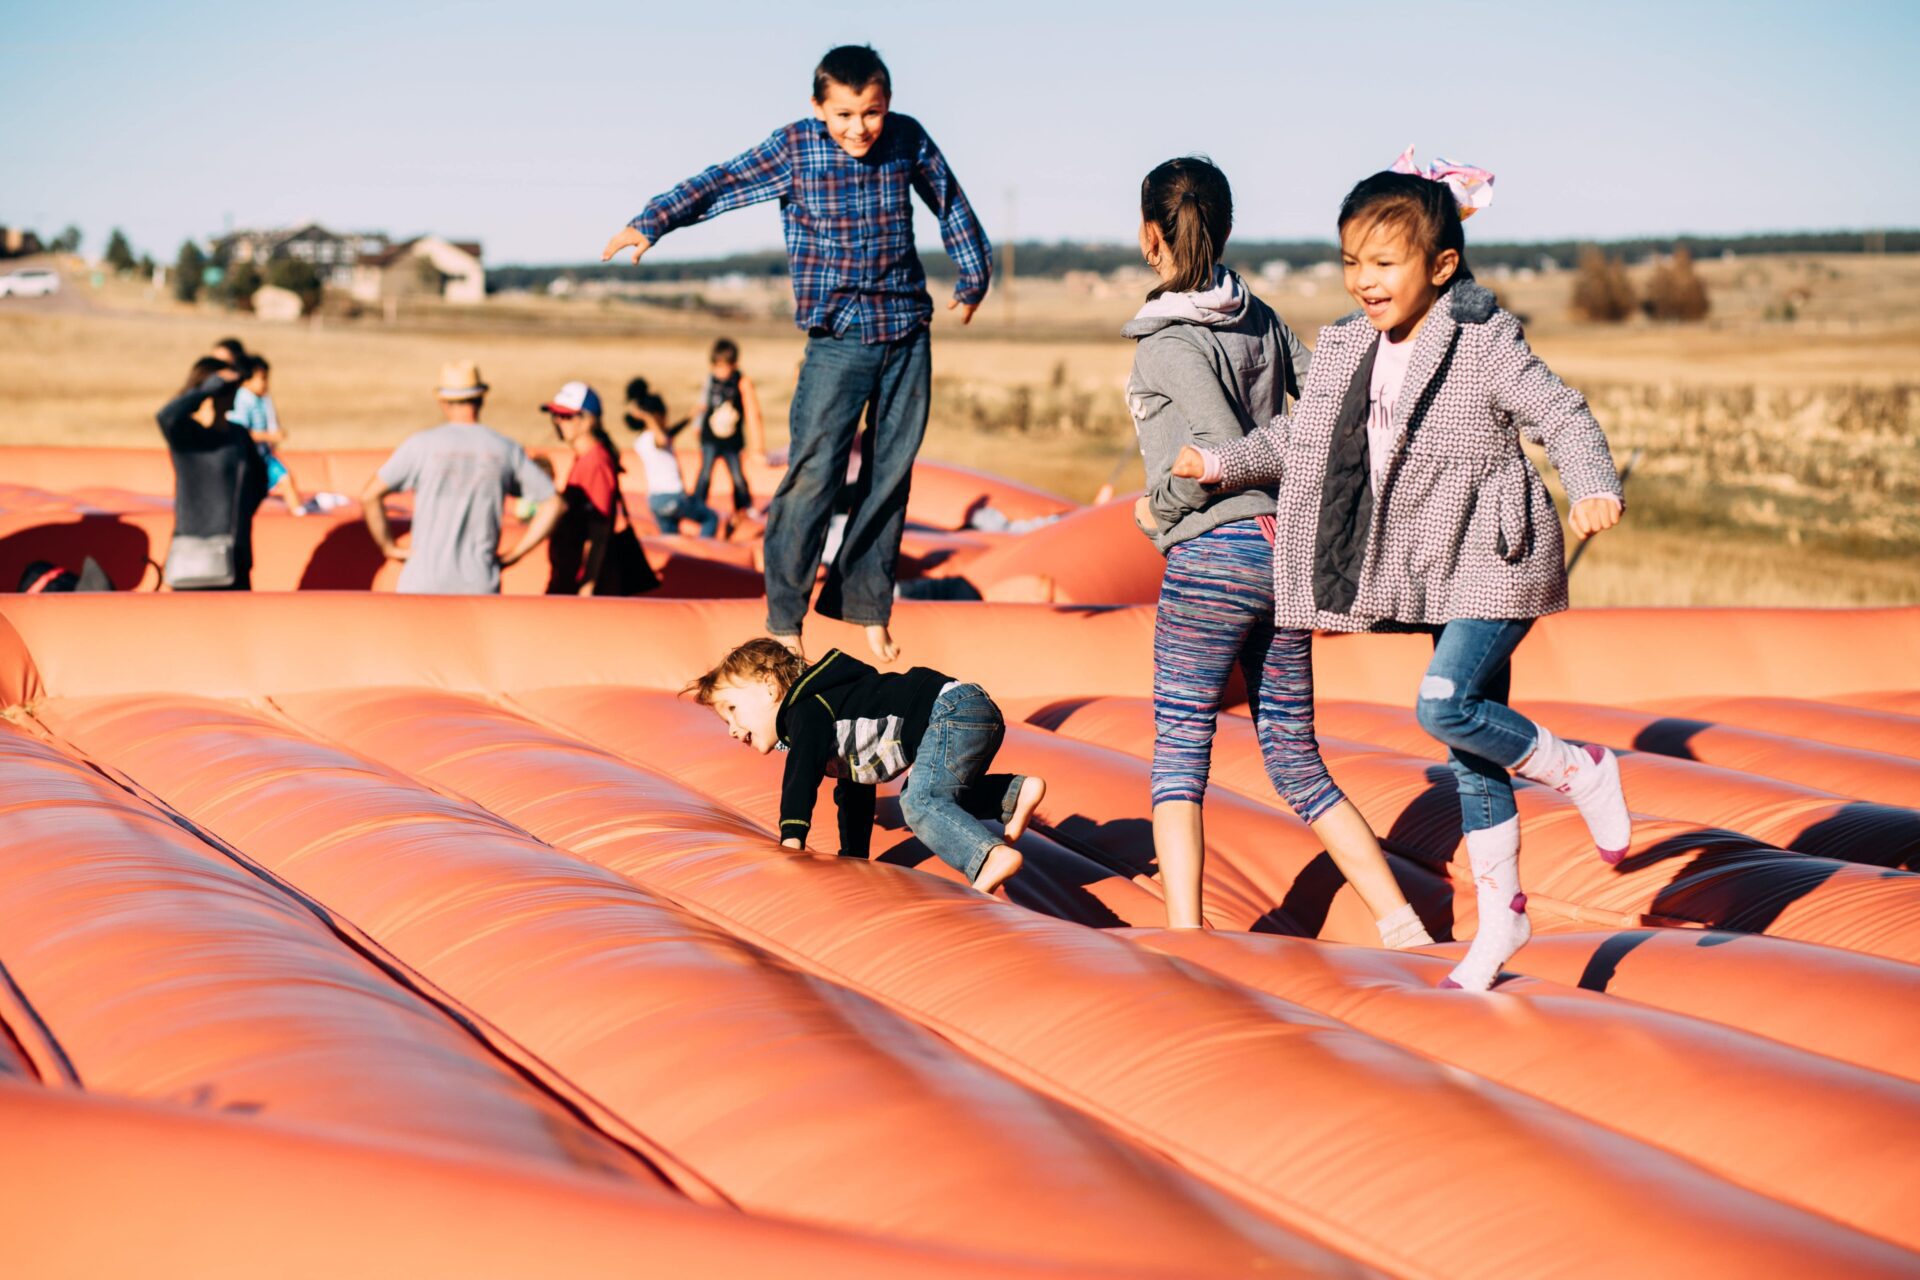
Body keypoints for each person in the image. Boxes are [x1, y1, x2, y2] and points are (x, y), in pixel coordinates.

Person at [1176, 153, 1629, 990]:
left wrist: (1594, 483)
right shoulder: (1349, 346)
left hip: (1496, 558)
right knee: (1471, 751)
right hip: (1434, 568)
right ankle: (1501, 926)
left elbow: (1561, 413)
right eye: (1351, 261)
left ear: (1441, 267)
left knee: (1444, 705)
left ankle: (1581, 769)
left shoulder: (1483, 341)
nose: (1363, 281)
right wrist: (1221, 463)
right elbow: (1299, 440)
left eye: (1383, 264)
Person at [602, 44, 991, 663]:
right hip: (837, 339)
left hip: (907, 329)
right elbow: (721, 182)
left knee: (889, 476)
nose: (858, 128)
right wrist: (653, 221)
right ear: (818, 107)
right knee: (814, 474)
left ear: (887, 104)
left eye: (870, 112)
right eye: (842, 114)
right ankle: (785, 616)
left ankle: (867, 608)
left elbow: (949, 200)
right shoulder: (795, 148)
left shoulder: (907, 138)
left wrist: (973, 276)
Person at [1126, 158, 1431, 947]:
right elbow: (1327, 402)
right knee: (1295, 758)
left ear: (1148, 237)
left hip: (1213, 551)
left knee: (1180, 748)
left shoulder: (1167, 344)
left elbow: (1227, 455)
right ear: (1223, 231)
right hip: (1282, 554)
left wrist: (1153, 508)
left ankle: (1187, 942)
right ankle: (1401, 922)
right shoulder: (1258, 316)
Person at [687, 637, 1045, 896]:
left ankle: (988, 857)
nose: (733, 729)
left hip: (951, 710)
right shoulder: (830, 716)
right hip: (964, 708)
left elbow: (801, 775)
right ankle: (1011, 794)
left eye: (732, 709)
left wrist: (792, 839)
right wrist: (853, 857)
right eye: (725, 722)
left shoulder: (805, 710)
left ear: (768, 687)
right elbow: (856, 787)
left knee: (920, 803)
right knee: (929, 795)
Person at [360, 360, 564, 594]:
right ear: (481, 399)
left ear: (443, 402)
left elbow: (370, 495)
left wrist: (389, 547)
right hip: (479, 583)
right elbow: (554, 503)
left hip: (422, 583)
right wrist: (514, 555)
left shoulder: (421, 445)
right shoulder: (505, 449)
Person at [155, 356, 269, 590]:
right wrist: (208, 389)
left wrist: (241, 518)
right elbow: (166, 417)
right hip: (195, 555)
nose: (233, 392)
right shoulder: (189, 436)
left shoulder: (239, 436)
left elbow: (260, 479)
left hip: (236, 556)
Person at [542, 380, 623, 594]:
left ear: (588, 421)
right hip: (568, 577)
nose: (558, 422)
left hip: (577, 583)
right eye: (555, 415)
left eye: (566, 416)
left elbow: (599, 532)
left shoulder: (596, 462)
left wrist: (587, 586)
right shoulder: (586, 458)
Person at [629, 377, 721, 538]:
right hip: (673, 496)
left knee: (672, 540)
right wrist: (647, 417)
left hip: (655, 502)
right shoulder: (654, 438)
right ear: (658, 416)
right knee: (710, 518)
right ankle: (705, 554)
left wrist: (690, 417)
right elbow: (663, 439)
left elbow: (670, 433)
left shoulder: (640, 440)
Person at [690, 337, 766, 525]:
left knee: (737, 476)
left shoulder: (741, 382)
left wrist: (758, 443)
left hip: (732, 440)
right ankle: (697, 504)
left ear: (734, 365)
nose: (720, 372)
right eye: (717, 367)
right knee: (705, 473)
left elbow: (752, 413)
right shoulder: (710, 380)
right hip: (711, 437)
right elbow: (703, 404)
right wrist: (697, 425)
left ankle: (744, 506)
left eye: (724, 367)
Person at [227, 356, 311, 514]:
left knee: (285, 478)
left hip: (263, 456)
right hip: (249, 458)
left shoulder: (263, 399)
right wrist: (270, 437)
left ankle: (299, 513)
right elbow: (240, 432)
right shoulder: (243, 399)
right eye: (263, 379)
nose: (266, 383)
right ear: (246, 380)